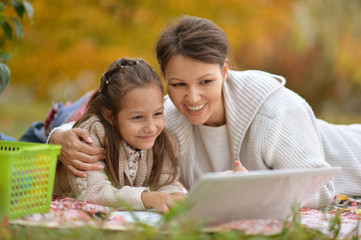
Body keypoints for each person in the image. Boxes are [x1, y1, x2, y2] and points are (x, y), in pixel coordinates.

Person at [49, 15, 361, 209]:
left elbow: (321, 190)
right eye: (178, 83)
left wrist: (249, 191)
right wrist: (59, 137)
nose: (192, 97)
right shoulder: (164, 118)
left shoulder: (277, 112)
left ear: (225, 71)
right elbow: (106, 121)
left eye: (206, 81)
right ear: (164, 79)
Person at [53, 57, 185, 213]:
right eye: (137, 117)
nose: (151, 127)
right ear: (110, 116)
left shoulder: (161, 140)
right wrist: (148, 198)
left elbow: (166, 183)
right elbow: (94, 193)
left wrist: (176, 196)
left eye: (157, 113)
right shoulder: (91, 136)